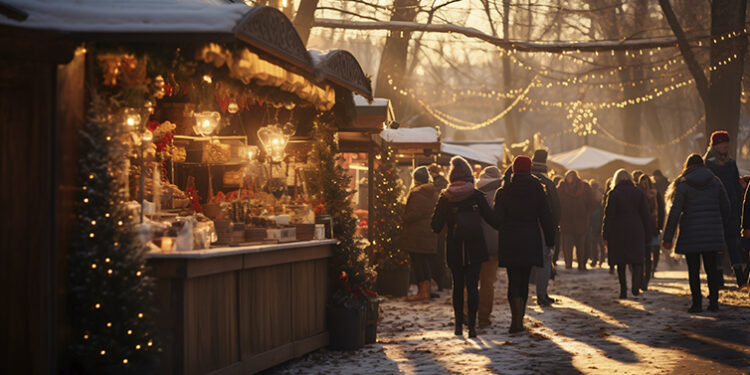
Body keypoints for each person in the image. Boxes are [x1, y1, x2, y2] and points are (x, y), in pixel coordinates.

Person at [431, 156, 495, 338]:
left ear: (451, 177)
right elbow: (493, 220)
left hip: (454, 246)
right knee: (473, 286)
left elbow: (435, 225)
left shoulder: (445, 197)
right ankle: (473, 327)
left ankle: (458, 325)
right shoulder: (477, 196)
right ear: (469, 177)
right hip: (475, 246)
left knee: (457, 286)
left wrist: (450, 224)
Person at [495, 156, 555, 333]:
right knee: (524, 280)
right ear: (529, 169)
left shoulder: (504, 191)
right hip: (530, 237)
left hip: (510, 239)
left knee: (513, 279)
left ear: (513, 169)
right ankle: (519, 319)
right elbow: (546, 217)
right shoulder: (538, 190)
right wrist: (550, 242)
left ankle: (516, 321)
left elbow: (497, 219)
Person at [662, 154, 729, 312]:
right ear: (702, 165)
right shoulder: (715, 182)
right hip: (712, 232)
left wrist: (668, 237)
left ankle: (696, 303)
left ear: (688, 166)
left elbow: (675, 212)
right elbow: (726, 207)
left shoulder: (683, 184)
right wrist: (720, 225)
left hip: (690, 233)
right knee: (711, 269)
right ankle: (714, 303)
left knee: (693, 270)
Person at [703, 131, 746, 288]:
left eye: (726, 143)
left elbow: (735, 185)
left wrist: (738, 205)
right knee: (718, 247)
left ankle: (740, 279)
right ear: (715, 145)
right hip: (716, 211)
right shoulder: (707, 163)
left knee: (733, 244)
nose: (725, 146)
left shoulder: (731, 163)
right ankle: (718, 279)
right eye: (722, 143)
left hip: (732, 211)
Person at [602, 169, 651, 299]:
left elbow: (609, 216)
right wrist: (649, 232)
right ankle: (636, 285)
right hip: (636, 228)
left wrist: (605, 234)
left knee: (621, 262)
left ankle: (623, 290)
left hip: (619, 230)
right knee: (637, 259)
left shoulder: (614, 193)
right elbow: (646, 214)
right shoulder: (638, 192)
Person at [400, 166, 439, 301]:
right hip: (429, 233)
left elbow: (412, 215)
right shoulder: (433, 193)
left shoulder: (416, 193)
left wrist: (403, 217)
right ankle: (426, 291)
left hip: (416, 234)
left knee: (418, 263)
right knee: (425, 262)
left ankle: (422, 293)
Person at [530, 149, 561, 306]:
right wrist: (555, 227)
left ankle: (523, 297)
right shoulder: (548, 184)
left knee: (526, 261)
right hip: (543, 226)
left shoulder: (521, 180)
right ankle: (541, 294)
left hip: (524, 226)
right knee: (545, 261)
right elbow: (556, 208)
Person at [475, 166, 502, 327]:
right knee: (487, 282)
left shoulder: (475, 192)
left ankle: (467, 311)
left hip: (476, 242)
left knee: (471, 281)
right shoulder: (502, 193)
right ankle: (484, 317)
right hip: (495, 243)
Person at [558, 170, 593, 270]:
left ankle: (581, 264)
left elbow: (590, 203)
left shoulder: (584, 187)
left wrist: (587, 215)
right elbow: (558, 203)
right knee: (567, 246)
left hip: (580, 221)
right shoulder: (562, 188)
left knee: (581, 246)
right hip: (566, 221)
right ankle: (568, 264)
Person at [638, 174, 665, 290]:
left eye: (646, 182)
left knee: (649, 255)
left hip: (652, 227)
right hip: (640, 228)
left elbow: (661, 210)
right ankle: (641, 279)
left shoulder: (655, 193)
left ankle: (646, 280)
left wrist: (660, 226)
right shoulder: (638, 194)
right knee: (641, 256)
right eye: (642, 182)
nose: (645, 184)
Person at [428, 163, 451, 291]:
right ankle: (443, 282)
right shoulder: (445, 183)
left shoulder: (433, 187)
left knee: (437, 256)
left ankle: (440, 281)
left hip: (438, 226)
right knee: (441, 256)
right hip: (444, 227)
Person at [587, 180, 605, 268]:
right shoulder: (600, 202)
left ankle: (596, 259)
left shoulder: (593, 204)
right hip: (599, 222)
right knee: (599, 242)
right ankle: (600, 259)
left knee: (595, 242)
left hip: (595, 223)